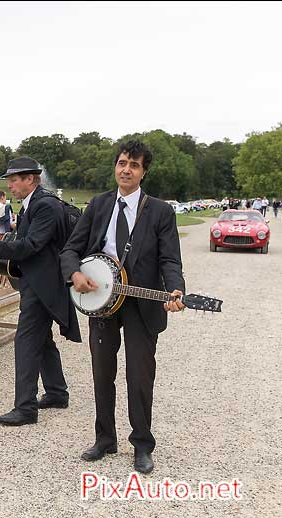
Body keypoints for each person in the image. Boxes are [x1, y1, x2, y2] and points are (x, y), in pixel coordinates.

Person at [60, 140, 185, 474]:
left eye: (134, 165)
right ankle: (104, 439)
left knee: (140, 376)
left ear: (144, 172)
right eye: (122, 163)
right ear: (115, 166)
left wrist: (175, 288)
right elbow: (70, 250)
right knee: (103, 373)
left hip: (142, 302)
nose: (126, 169)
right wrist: (75, 274)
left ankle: (142, 444)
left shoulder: (160, 211)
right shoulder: (99, 206)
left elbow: (170, 259)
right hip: (102, 302)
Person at [0, 157, 81, 426]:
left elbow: (31, 246)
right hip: (40, 282)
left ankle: (26, 408)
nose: (9, 185)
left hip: (43, 285)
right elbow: (29, 242)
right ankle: (56, 392)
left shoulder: (44, 205)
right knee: (41, 339)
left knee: (27, 341)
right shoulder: (35, 203)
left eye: (14, 179)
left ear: (31, 179)